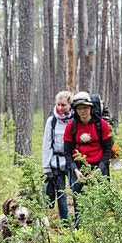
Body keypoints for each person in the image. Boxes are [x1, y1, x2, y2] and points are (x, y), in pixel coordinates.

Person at [61, 91, 113, 225]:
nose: (82, 111)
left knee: (101, 200)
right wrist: (75, 170)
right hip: (78, 169)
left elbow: (108, 150)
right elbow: (67, 152)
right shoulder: (70, 127)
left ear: (91, 108)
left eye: (85, 107)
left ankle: (101, 228)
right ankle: (80, 229)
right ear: (75, 110)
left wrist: (99, 170)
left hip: (99, 168)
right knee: (79, 202)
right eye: (79, 108)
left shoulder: (102, 125)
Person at [41, 90, 74, 222]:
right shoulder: (52, 120)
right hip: (56, 162)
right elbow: (46, 144)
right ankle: (65, 221)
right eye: (58, 104)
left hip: (72, 162)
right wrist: (46, 167)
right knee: (61, 193)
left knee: (76, 192)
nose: (60, 108)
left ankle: (79, 220)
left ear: (70, 105)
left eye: (63, 105)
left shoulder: (74, 120)